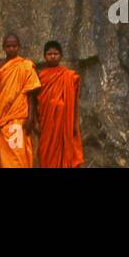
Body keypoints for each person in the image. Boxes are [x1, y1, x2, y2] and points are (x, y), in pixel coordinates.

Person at [0, 33, 40, 168]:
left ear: (19, 47)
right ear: (3, 47)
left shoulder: (26, 65)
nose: (11, 49)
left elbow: (31, 93)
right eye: (8, 46)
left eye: (14, 46)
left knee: (19, 154)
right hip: (1, 117)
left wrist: (31, 116)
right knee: (3, 157)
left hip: (19, 117)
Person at [36, 40, 84, 168]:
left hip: (64, 122)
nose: (52, 56)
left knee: (65, 154)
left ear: (61, 55)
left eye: (55, 54)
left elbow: (74, 102)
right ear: (44, 56)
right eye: (49, 54)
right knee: (45, 153)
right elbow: (37, 101)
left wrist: (74, 123)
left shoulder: (69, 76)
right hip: (47, 124)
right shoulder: (40, 77)